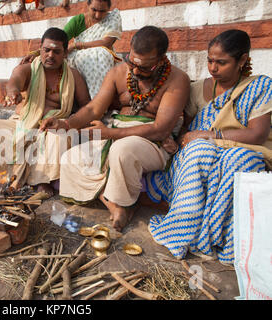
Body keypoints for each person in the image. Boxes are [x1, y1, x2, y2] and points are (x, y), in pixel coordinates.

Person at [40, 26, 190, 232]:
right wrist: (65, 123)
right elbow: (94, 108)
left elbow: (160, 129)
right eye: (132, 62)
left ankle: (123, 202)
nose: (136, 71)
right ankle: (117, 206)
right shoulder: (118, 72)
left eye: (144, 67)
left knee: (122, 151)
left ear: (161, 59)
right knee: (70, 158)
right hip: (114, 132)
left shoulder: (177, 79)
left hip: (151, 141)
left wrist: (111, 134)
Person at [144, 29, 272, 265]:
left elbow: (257, 133)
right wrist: (178, 139)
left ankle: (220, 239)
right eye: (210, 61)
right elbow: (187, 130)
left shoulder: (260, 87)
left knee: (240, 161)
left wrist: (211, 135)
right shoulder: (197, 89)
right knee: (199, 151)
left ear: (242, 60)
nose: (213, 68)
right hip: (203, 152)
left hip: (245, 149)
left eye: (221, 63)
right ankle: (184, 233)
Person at [0, 27, 91, 197]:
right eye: (47, 50)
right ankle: (3, 173)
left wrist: (70, 120)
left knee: (57, 138)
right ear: (40, 49)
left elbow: (86, 105)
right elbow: (15, 80)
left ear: (65, 53)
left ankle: (41, 181)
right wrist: (13, 92)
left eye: (56, 52)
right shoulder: (30, 68)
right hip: (23, 122)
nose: (50, 55)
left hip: (51, 126)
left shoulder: (73, 76)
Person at [21, 0, 122, 99]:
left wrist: (75, 45)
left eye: (102, 11)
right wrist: (36, 53)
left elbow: (106, 43)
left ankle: (101, 100)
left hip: (103, 59)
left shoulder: (113, 18)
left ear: (109, 9)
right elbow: (58, 40)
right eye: (94, 10)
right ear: (88, 5)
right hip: (81, 60)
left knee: (100, 53)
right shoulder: (78, 21)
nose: (97, 15)